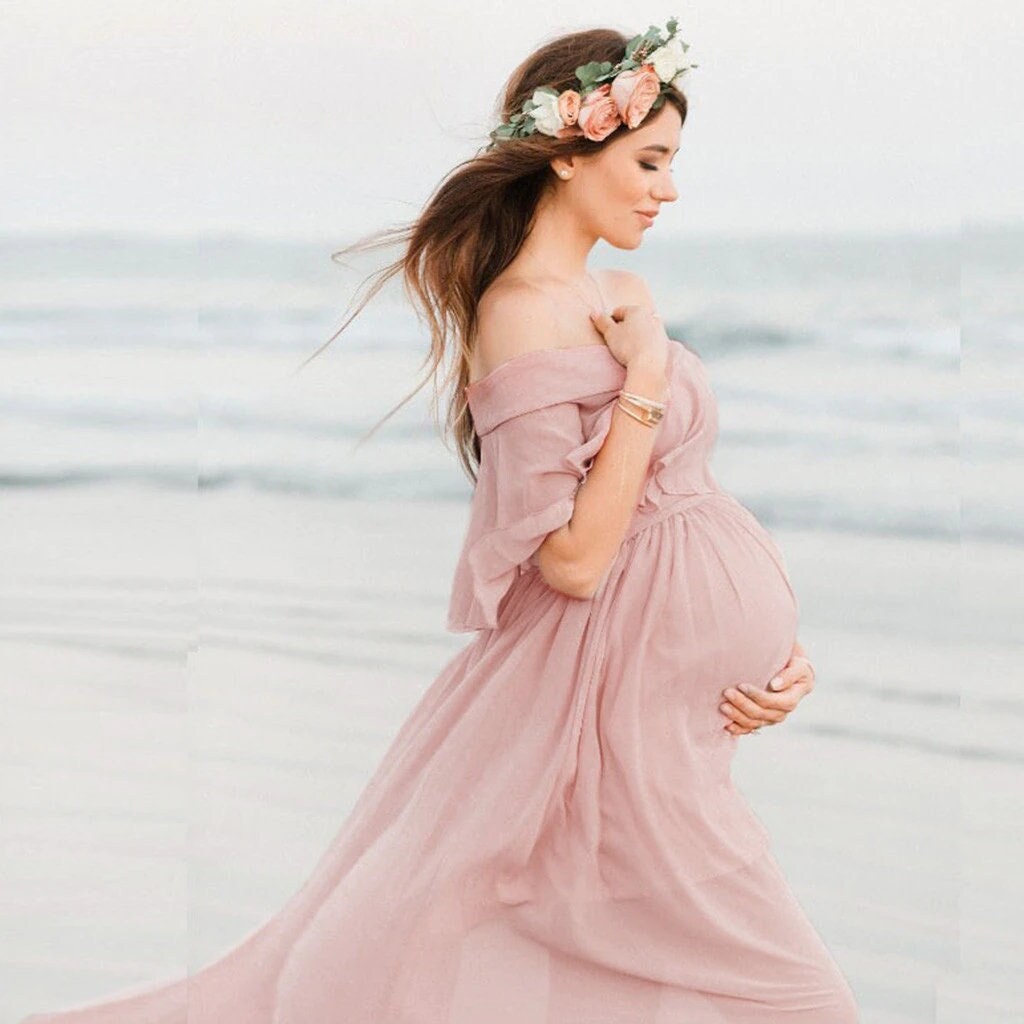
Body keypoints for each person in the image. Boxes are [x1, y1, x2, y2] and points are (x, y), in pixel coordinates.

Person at [21, 19, 860, 1023]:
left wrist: (775, 655)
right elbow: (578, 559)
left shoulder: (614, 291)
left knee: (676, 983)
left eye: (671, 163)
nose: (667, 189)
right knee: (784, 996)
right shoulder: (524, 313)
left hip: (671, 717)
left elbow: (683, 499)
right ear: (565, 152)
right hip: (601, 710)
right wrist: (644, 375)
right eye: (648, 159)